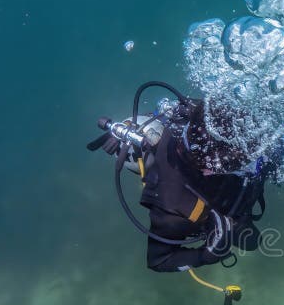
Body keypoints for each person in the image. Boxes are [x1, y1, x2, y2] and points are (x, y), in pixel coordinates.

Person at [95, 95, 267, 273]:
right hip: (231, 208)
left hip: (240, 189)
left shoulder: (198, 117)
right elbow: (158, 261)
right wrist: (207, 255)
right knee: (249, 239)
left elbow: (159, 260)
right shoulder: (169, 204)